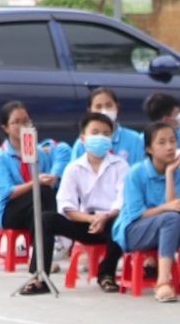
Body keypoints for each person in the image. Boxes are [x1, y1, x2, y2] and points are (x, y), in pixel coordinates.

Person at [115, 120, 180, 302]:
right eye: (162, 143)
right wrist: (167, 208)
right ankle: (162, 283)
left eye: (172, 141)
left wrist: (169, 173)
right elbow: (138, 213)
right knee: (171, 217)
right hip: (134, 231)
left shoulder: (178, 173)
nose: (170, 147)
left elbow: (174, 208)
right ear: (149, 149)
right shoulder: (135, 173)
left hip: (167, 226)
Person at [49, 112, 126, 288]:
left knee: (123, 222)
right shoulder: (73, 168)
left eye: (106, 134)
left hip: (111, 221)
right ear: (83, 138)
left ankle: (106, 275)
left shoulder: (120, 166)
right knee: (48, 219)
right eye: (95, 132)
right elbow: (66, 206)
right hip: (85, 222)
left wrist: (105, 217)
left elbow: (122, 201)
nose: (101, 137)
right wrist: (92, 219)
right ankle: (40, 275)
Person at [0, 100, 61, 254]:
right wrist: (36, 182)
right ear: (5, 128)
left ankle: (41, 252)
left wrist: (50, 179)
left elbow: (48, 184)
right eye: (16, 122)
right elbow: (7, 192)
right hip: (10, 210)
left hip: (35, 206)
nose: (22, 125)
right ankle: (42, 250)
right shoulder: (0, 157)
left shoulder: (38, 152)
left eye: (26, 121)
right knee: (40, 193)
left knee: (43, 200)